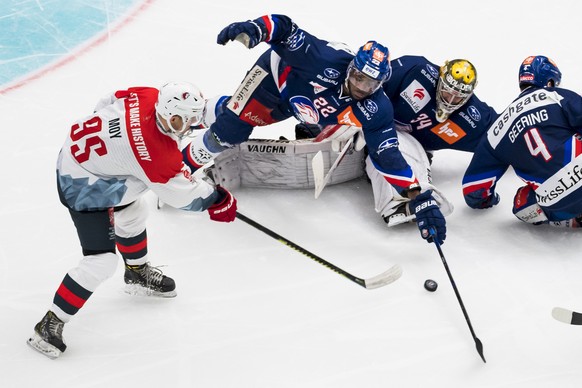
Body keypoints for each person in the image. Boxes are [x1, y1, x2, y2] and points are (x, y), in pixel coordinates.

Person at [185, 14, 447, 244]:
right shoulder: (322, 59)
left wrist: (416, 194)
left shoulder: (378, 108)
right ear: (351, 67)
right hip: (273, 79)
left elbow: (387, 156)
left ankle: (197, 111)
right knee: (230, 131)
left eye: (370, 84)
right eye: (357, 77)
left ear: (381, 83)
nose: (360, 87)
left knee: (244, 115)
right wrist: (257, 28)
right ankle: (182, 166)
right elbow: (285, 29)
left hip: (303, 104)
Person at [27, 82, 238, 359]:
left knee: (133, 211)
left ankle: (136, 273)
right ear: (166, 111)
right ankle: (49, 324)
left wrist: (114, 148)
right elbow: (182, 196)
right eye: (178, 120)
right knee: (101, 261)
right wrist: (217, 199)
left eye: (189, 120)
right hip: (81, 185)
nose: (184, 127)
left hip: (87, 160)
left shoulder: (149, 94)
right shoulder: (155, 153)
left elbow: (109, 98)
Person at [462, 55, 582, 227]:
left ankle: (571, 219)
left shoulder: (495, 131)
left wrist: (487, 201)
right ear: (550, 81)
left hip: (556, 202)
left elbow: (472, 191)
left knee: (520, 203)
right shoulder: (557, 95)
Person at [379, 56, 498, 226]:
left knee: (392, 151)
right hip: (374, 127)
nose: (449, 100)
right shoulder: (417, 70)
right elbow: (372, 85)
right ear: (440, 79)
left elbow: (504, 132)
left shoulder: (472, 116)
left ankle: (404, 202)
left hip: (411, 148)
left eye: (457, 97)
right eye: (447, 91)